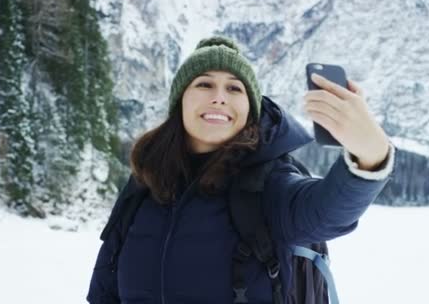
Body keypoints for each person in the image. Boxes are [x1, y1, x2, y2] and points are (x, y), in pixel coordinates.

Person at [86, 36, 395, 304]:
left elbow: (324, 212)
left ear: (250, 110)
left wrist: (370, 155)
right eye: (204, 83)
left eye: (235, 89)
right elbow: (104, 283)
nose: (219, 96)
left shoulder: (269, 183)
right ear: (180, 101)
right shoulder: (146, 180)